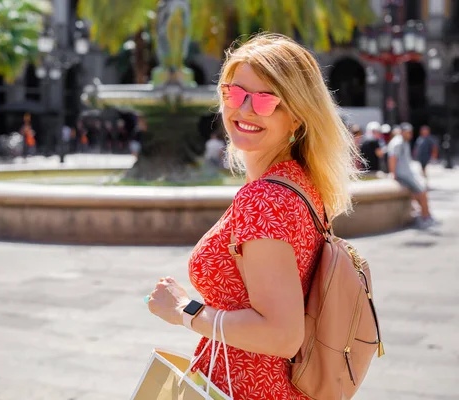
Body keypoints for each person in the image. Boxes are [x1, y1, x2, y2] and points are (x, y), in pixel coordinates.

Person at [145, 33, 362, 400]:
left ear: (296, 117)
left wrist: (185, 309)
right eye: (234, 93)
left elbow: (281, 334)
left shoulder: (265, 198)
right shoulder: (299, 182)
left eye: (264, 100)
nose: (244, 109)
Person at [388, 122, 436, 228]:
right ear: (402, 132)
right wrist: (393, 174)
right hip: (404, 174)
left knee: (419, 193)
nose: (410, 134)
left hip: (408, 172)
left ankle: (425, 214)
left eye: (410, 132)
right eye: (408, 132)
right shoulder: (397, 143)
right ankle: (425, 217)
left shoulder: (403, 142)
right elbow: (392, 158)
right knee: (422, 192)